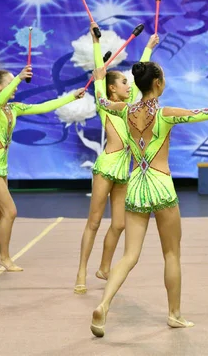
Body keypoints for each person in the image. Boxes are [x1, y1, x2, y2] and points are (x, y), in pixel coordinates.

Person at [89, 61, 208, 337]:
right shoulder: (166, 114)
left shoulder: (124, 110)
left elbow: (102, 102)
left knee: (129, 255)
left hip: (136, 184)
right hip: (161, 185)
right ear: (159, 83)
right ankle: (174, 314)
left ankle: (103, 304)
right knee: (171, 253)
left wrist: (99, 79)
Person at [0, 65, 86, 272]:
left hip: (0, 168)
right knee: (10, 212)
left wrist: (71, 97)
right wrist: (19, 78)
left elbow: (45, 106)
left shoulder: (14, 109)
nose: (15, 87)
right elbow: (0, 100)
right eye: (10, 83)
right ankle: (4, 257)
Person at [74, 23, 159, 294]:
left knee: (120, 224)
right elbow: (99, 75)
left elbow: (141, 73)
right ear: (112, 90)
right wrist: (95, 42)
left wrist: (147, 48)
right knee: (95, 221)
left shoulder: (130, 103)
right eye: (123, 82)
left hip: (125, 173)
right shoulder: (106, 105)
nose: (128, 84)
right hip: (106, 168)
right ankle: (80, 273)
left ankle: (104, 267)